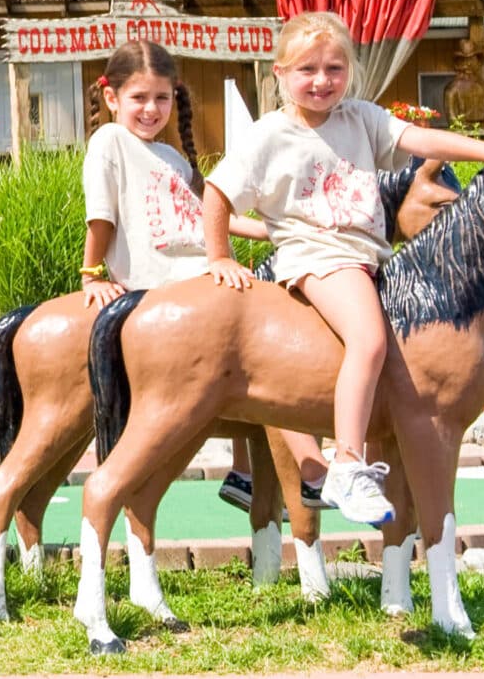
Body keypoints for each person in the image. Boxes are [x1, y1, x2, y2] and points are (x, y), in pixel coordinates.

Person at [202, 11, 484, 526]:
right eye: (307, 70)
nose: (322, 81)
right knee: (369, 341)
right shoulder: (269, 135)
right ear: (279, 73)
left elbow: (422, 142)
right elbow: (217, 192)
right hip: (322, 257)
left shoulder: (360, 118)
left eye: (334, 68)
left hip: (367, 257)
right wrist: (219, 257)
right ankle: (345, 462)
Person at [72, 42, 321, 510]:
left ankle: (247, 471)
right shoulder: (109, 142)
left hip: (202, 269)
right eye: (139, 98)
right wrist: (91, 273)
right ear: (111, 99)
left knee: (267, 319)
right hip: (170, 279)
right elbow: (100, 215)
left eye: (161, 99)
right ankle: (311, 465)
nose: (151, 109)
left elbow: (214, 217)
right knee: (266, 331)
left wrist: (278, 229)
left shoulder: (173, 158)